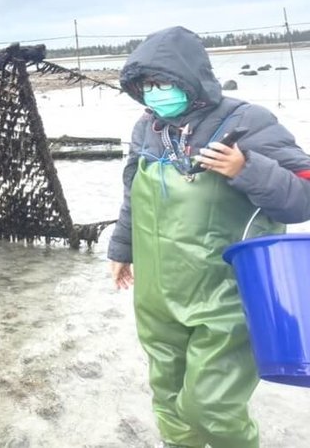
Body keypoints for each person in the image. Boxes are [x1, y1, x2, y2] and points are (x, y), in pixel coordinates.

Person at [108, 26, 310, 448]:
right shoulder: (147, 128)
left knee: (211, 407)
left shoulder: (246, 121)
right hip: (158, 294)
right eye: (146, 85)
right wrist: (122, 248)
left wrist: (245, 168)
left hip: (224, 297)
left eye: (164, 82)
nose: (155, 93)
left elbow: (302, 197)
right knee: (168, 400)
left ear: (190, 79)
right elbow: (133, 191)